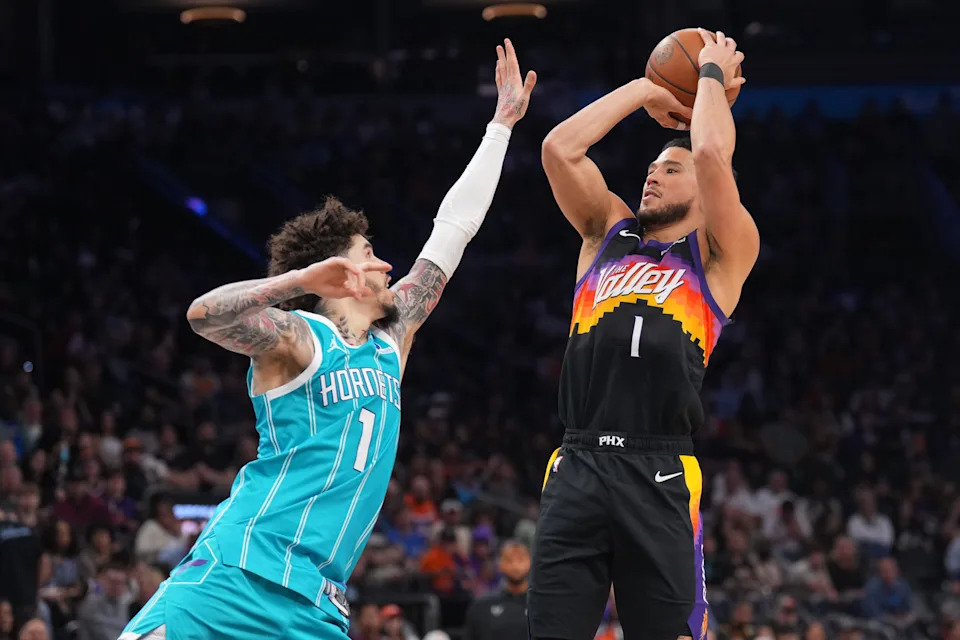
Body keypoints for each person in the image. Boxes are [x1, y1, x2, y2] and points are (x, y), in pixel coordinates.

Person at [120, 38, 536, 640]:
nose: (390, 265)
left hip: (315, 604)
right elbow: (203, 315)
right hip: (236, 576)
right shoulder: (299, 339)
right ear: (339, 273)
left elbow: (453, 231)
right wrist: (295, 281)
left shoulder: (393, 339)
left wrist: (499, 127)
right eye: (371, 254)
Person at [533, 29, 757, 640]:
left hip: (658, 468)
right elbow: (560, 149)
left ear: (704, 196)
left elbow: (713, 156)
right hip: (577, 460)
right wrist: (646, 88)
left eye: (670, 167)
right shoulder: (606, 234)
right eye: (650, 166)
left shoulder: (716, 256)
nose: (651, 176)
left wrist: (708, 74)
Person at [463, 541, 530, 640]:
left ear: (530, 561)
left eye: (520, 559)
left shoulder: (542, 606)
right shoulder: (481, 606)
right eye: (509, 560)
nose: (515, 566)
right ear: (500, 564)